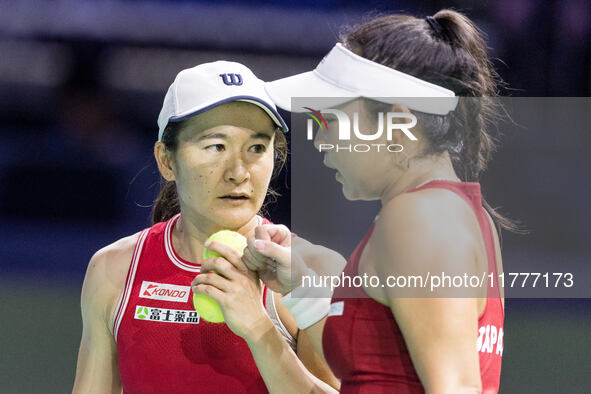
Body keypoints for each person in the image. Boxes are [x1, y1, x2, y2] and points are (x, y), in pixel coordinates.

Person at [233, 9, 513, 394]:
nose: (319, 139)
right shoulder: (448, 214)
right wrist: (302, 289)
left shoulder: (422, 218)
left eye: (331, 118)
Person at [72, 61, 339, 393]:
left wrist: (258, 327)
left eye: (256, 148)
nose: (238, 172)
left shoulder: (312, 272)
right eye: (216, 147)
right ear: (167, 161)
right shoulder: (114, 268)